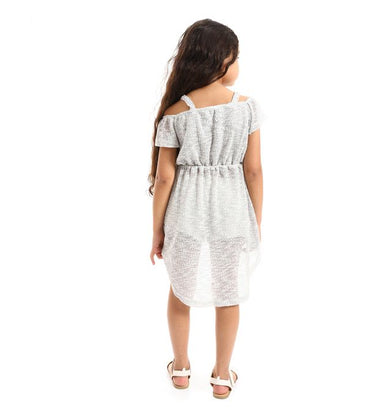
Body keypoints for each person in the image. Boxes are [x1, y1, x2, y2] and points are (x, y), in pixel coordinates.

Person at [148, 18, 265, 399]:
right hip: (231, 211)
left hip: (185, 212)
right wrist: (255, 221)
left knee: (180, 290)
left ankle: (181, 368)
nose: (238, 65)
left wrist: (157, 229)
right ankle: (221, 375)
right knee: (227, 292)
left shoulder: (175, 113)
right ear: (220, 60)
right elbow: (253, 170)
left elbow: (164, 178)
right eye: (236, 57)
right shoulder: (246, 109)